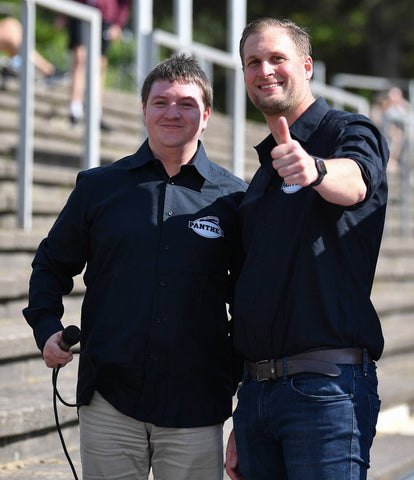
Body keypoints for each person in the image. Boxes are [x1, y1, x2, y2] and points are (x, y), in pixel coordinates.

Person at [23, 53, 247, 480]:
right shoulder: (98, 188)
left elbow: (251, 301)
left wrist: (237, 382)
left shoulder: (235, 200)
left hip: (196, 405)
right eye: (160, 102)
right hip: (110, 399)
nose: (172, 112)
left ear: (206, 116)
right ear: (144, 111)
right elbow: (50, 264)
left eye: (186, 103)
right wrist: (46, 325)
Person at [225, 17, 389, 480]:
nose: (265, 70)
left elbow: (356, 182)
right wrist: (244, 411)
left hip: (326, 392)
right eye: (253, 62)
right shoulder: (260, 179)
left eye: (278, 58)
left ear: (307, 65)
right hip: (258, 397)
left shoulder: (348, 131)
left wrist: (314, 169)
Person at [64, 0, 131, 130]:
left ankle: (95, 113)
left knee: (99, 64)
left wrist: (118, 23)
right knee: (80, 57)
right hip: (79, 9)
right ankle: (75, 109)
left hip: (105, 14)